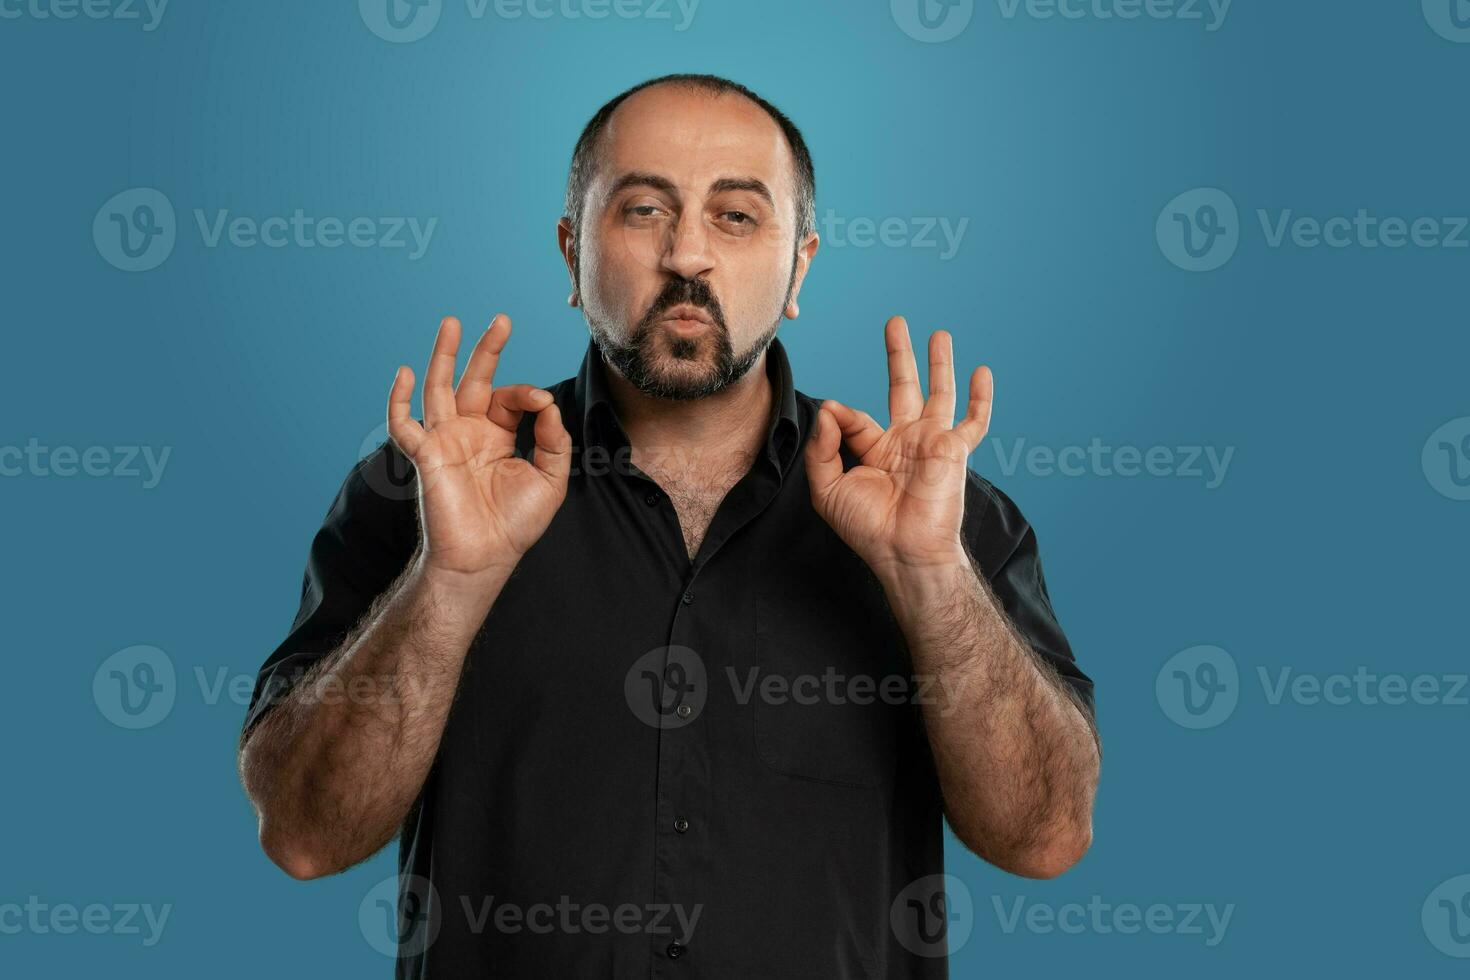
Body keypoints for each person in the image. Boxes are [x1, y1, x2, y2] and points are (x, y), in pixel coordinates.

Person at [237, 73, 1100, 978]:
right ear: (572, 253)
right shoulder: (419, 494)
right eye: (644, 209)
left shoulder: (942, 513)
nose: (688, 254)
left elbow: (1045, 839)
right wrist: (444, 585)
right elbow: (303, 837)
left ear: (800, 265)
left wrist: (931, 576)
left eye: (736, 216)